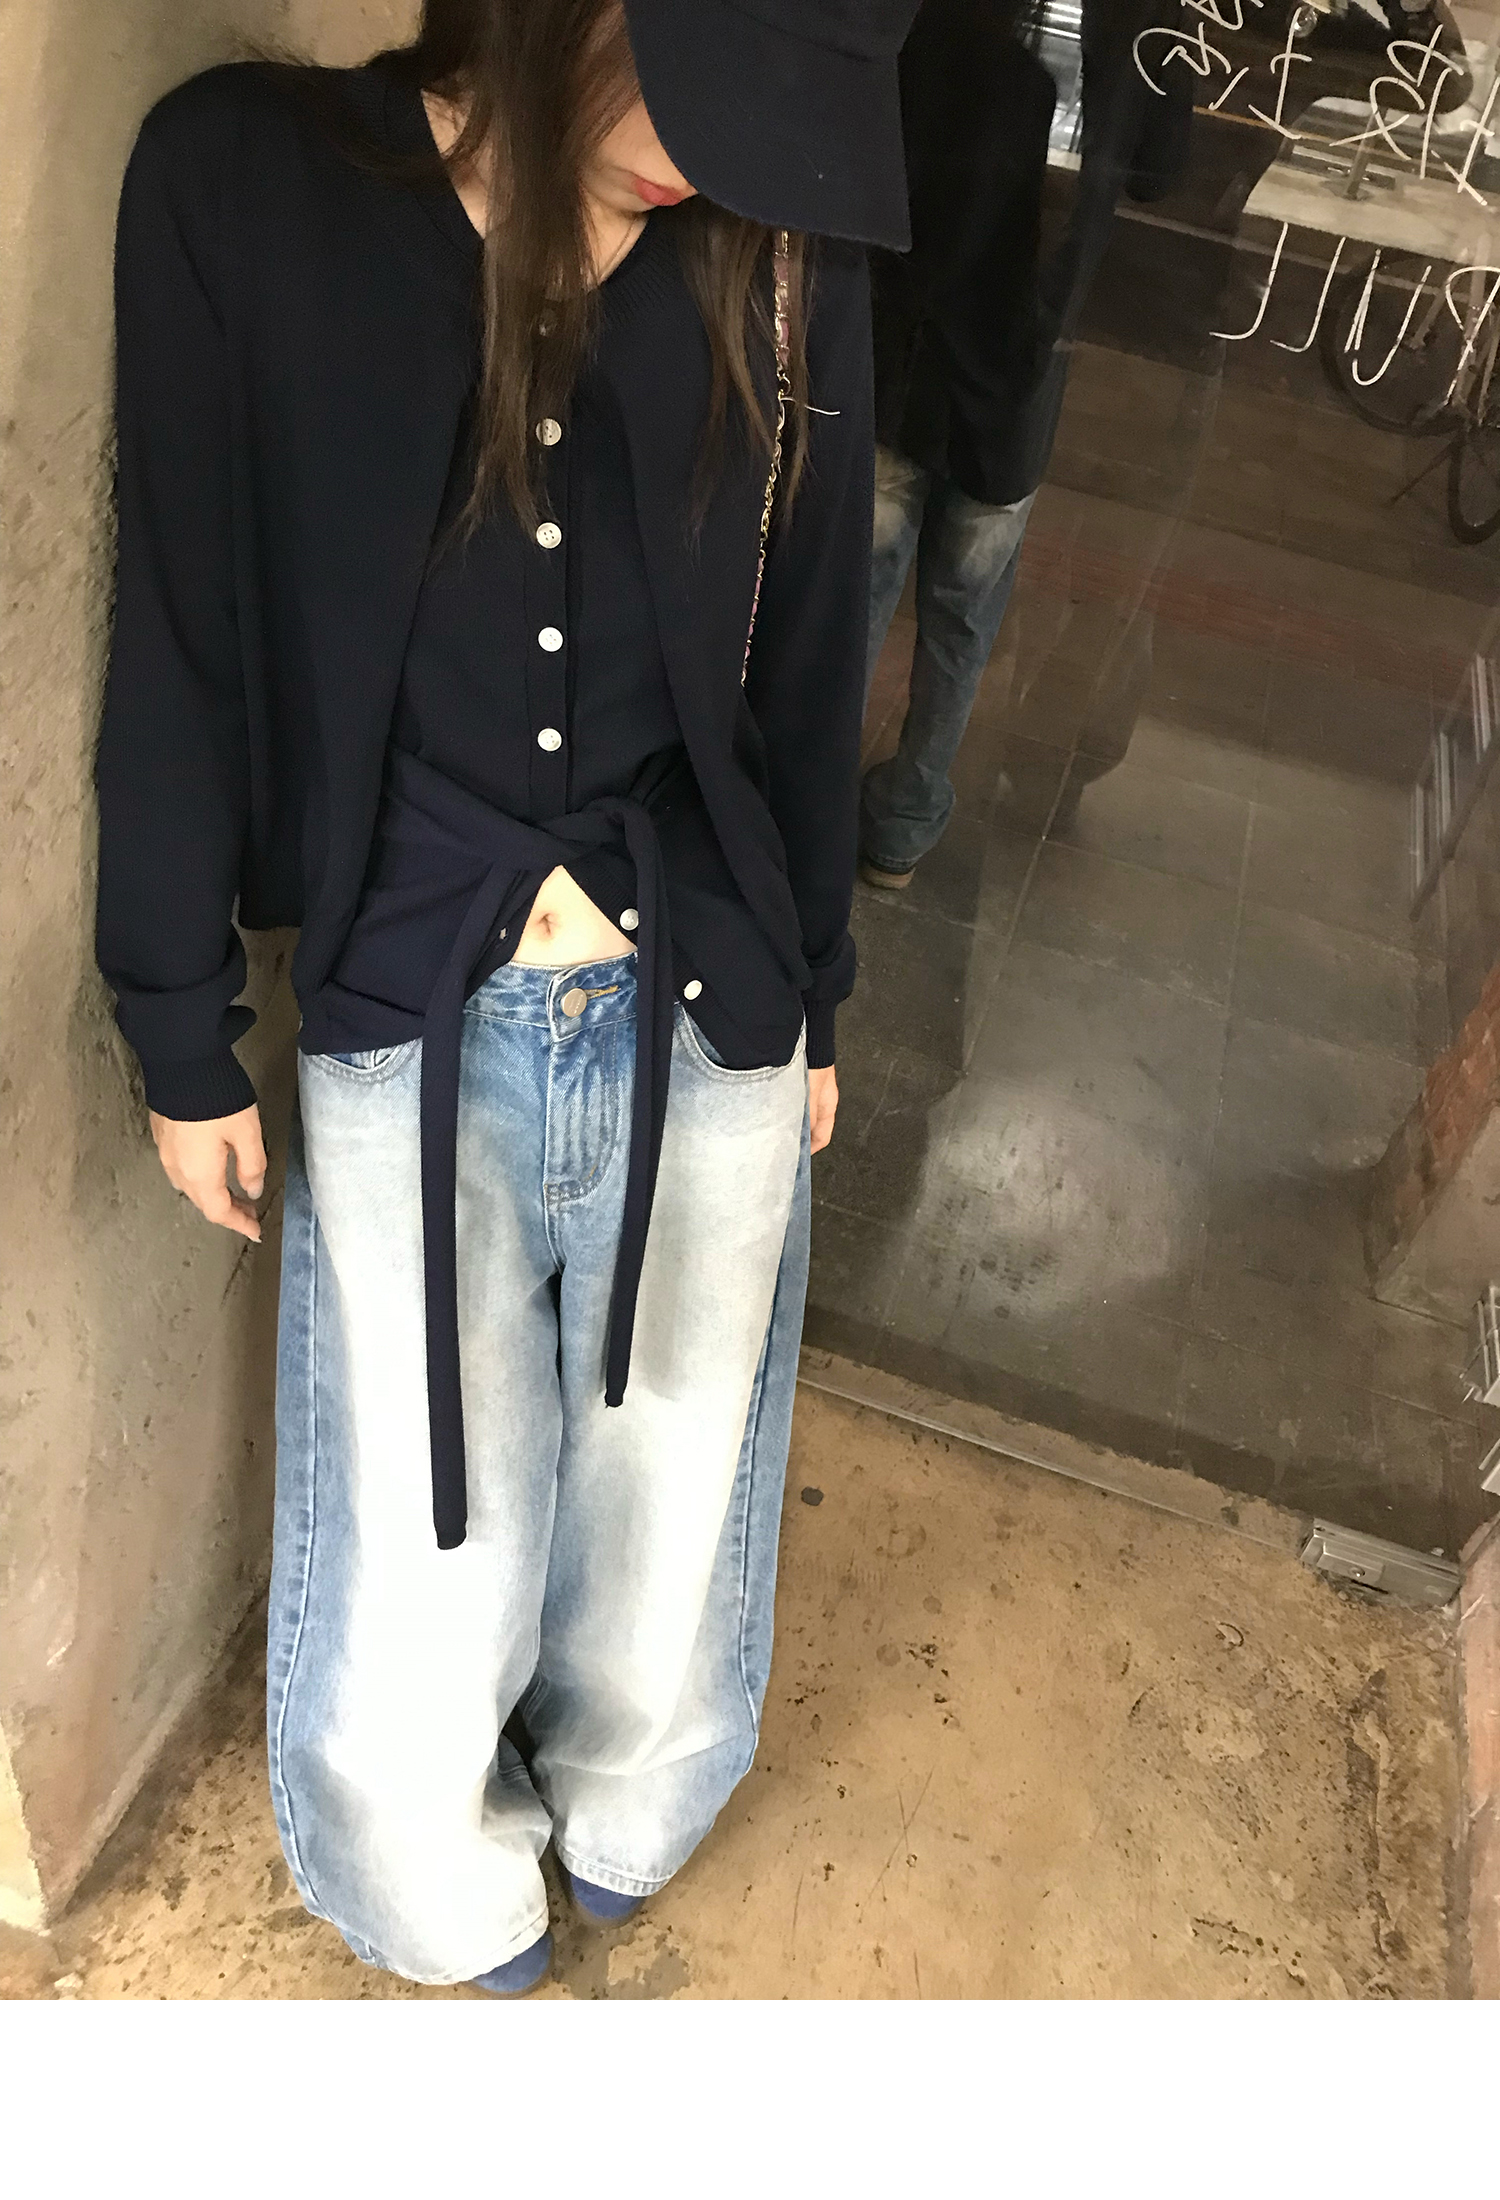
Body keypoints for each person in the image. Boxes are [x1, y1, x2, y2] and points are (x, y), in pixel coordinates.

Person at [95, 0, 919, 1996]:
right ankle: (425, 1873)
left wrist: (814, 994)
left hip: (706, 985)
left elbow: (811, 656)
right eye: (708, 95)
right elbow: (182, 622)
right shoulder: (247, 189)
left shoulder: (776, 252)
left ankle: (635, 1802)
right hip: (411, 986)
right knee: (419, 1511)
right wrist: (177, 1017)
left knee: (677, 1467)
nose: (716, 164)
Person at [859, 0, 1193, 889]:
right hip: (1023, 367)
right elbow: (1160, 172)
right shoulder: (1143, 17)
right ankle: (905, 822)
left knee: (858, 595)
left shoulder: (953, 13)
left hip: (908, 349)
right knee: (963, 617)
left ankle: (802, 811)